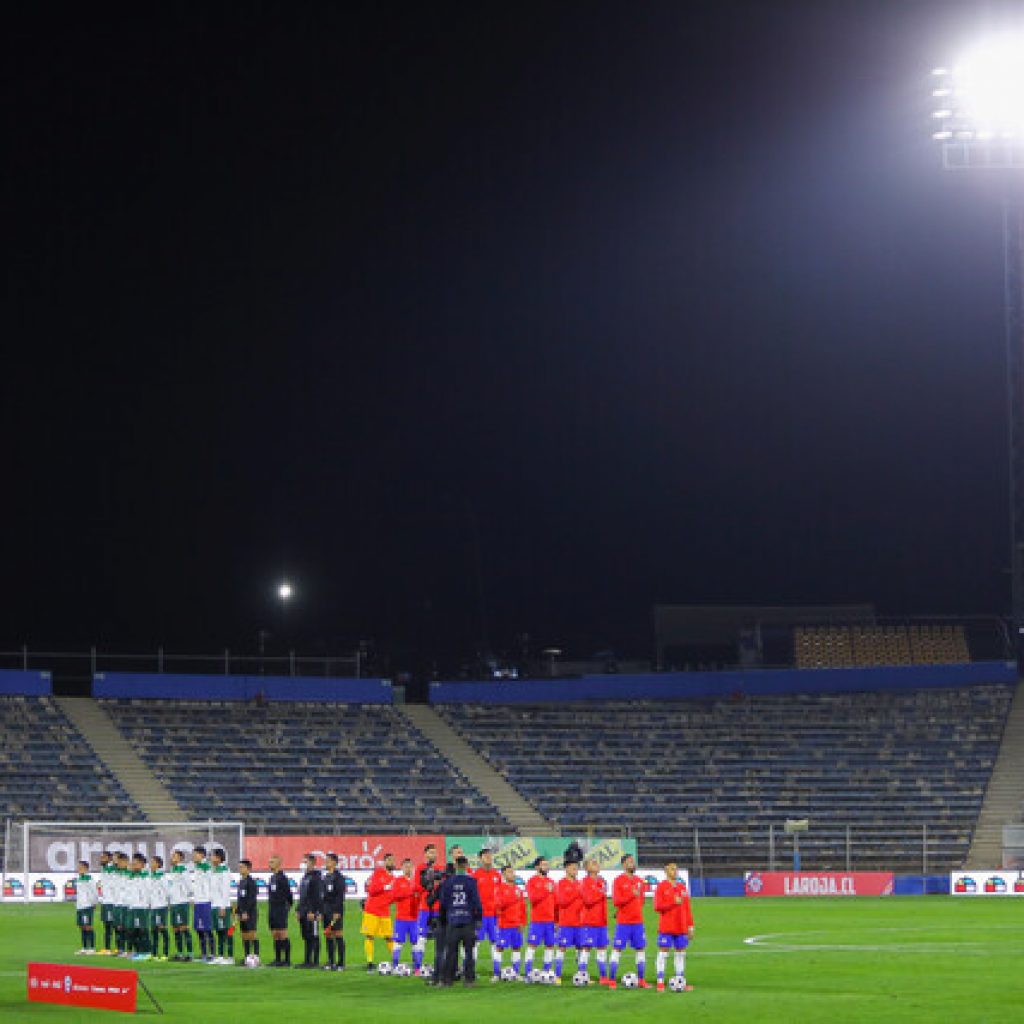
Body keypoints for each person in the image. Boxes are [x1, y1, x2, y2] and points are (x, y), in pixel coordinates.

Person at [436, 856, 482, 987]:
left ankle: (446, 980)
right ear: (466, 865)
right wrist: (478, 919)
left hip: (453, 921)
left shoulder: (448, 882)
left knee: (450, 952)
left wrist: (443, 919)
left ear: (455, 866)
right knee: (469, 952)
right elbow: (476, 902)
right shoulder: (472, 881)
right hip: (468, 921)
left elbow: (443, 903)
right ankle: (469, 980)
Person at [610, 853, 649, 989]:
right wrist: (631, 895)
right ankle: (612, 979)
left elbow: (642, 900)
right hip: (623, 922)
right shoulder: (618, 880)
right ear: (624, 865)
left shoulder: (639, 881)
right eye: (629, 862)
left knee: (640, 949)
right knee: (617, 949)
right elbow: (616, 901)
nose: (632, 864)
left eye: (633, 861)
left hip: (638, 922)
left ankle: (642, 980)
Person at [653, 863, 694, 992]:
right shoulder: (661, 887)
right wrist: (672, 902)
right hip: (667, 927)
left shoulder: (682, 887)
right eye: (672, 869)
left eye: (676, 869)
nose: (675, 871)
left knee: (681, 954)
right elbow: (657, 906)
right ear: (666, 871)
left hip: (681, 927)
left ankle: (680, 981)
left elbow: (687, 908)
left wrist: (690, 926)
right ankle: (660, 982)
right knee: (663, 954)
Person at [471, 847, 502, 979]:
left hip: (494, 916)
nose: (489, 858)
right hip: (480, 916)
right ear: (480, 858)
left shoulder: (497, 875)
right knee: (475, 942)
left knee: (495, 943)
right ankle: (470, 971)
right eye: (486, 856)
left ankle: (497, 972)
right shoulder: (476, 875)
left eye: (490, 855)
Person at [362, 852, 396, 972]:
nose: (392, 862)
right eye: (389, 860)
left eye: (393, 860)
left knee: (389, 937)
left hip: (384, 911)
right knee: (369, 935)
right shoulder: (378, 873)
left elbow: (392, 897)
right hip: (371, 910)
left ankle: (395, 961)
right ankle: (370, 961)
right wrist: (385, 887)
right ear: (385, 862)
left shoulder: (394, 879)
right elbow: (371, 890)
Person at [524, 856, 556, 980]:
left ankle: (546, 972)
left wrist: (556, 919)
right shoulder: (532, 881)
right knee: (532, 945)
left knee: (550, 946)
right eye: (543, 865)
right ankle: (528, 973)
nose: (546, 867)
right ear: (537, 867)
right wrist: (545, 890)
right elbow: (532, 898)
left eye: (547, 865)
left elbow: (555, 901)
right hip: (537, 920)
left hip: (550, 920)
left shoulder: (551, 882)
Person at [580, 857, 610, 985]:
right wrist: (600, 893)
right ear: (587, 868)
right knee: (586, 948)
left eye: (596, 862)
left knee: (602, 948)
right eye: (593, 863)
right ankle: (581, 975)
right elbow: (588, 900)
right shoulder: (585, 882)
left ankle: (603, 977)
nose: (596, 864)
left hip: (601, 921)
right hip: (590, 921)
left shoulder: (601, 881)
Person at [554, 858, 584, 984]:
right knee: (562, 948)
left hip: (580, 923)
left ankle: (581, 975)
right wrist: (575, 893)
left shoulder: (580, 883)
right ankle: (557, 975)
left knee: (581, 949)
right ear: (566, 869)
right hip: (566, 922)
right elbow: (562, 902)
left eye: (576, 868)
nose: (575, 871)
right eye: (573, 868)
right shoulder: (561, 883)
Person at [494, 864, 526, 982]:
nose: (512, 874)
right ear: (503, 874)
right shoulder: (499, 888)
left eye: (513, 872)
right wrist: (512, 897)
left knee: (516, 948)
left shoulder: (518, 889)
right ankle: (497, 974)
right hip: (504, 924)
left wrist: (522, 922)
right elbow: (498, 904)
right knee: (500, 948)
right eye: (509, 872)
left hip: (517, 924)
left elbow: (522, 907)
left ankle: (516, 972)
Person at [413, 842, 441, 972]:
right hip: (425, 908)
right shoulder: (420, 868)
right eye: (430, 852)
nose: (433, 855)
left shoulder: (441, 868)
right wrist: (426, 887)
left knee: (440, 938)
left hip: (439, 909)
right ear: (425, 854)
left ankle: (440, 966)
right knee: (422, 938)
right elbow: (415, 887)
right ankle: (418, 968)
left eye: (435, 852)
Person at [391, 858, 420, 972]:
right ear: (402, 868)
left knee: (416, 943)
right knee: (398, 942)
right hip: (401, 918)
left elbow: (420, 897)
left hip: (414, 918)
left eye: (410, 866)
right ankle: (395, 965)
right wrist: (409, 893)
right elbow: (394, 896)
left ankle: (417, 968)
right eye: (405, 866)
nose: (408, 869)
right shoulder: (398, 881)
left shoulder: (416, 882)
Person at [295, 853, 323, 968]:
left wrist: (313, 911)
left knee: (314, 935)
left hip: (311, 912)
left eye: (305, 862)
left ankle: (315, 961)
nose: (303, 864)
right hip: (303, 911)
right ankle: (307, 960)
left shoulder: (316, 878)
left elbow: (317, 896)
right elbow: (302, 896)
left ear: (312, 863)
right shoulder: (305, 877)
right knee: (306, 936)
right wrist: (298, 910)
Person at [267, 854, 293, 967]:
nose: (269, 864)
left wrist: (287, 907)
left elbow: (289, 895)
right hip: (272, 909)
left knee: (282, 934)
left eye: (272, 862)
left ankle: (286, 960)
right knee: (275, 934)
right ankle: (278, 959)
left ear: (278, 863)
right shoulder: (272, 878)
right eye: (270, 861)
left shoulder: (283, 878)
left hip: (281, 909)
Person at [321, 852, 347, 971]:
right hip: (326, 910)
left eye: (328, 860)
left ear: (334, 863)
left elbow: (340, 896)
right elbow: (323, 896)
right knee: (328, 935)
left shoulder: (339, 878)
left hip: (335, 910)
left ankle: (341, 963)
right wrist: (321, 911)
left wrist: (337, 911)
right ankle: (331, 961)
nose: (326, 862)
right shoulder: (326, 877)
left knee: (338, 935)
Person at [168, 849, 194, 961]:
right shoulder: (172, 870)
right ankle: (179, 953)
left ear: (180, 858)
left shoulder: (183, 869)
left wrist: (186, 897)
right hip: (174, 903)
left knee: (184, 928)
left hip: (182, 902)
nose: (172, 858)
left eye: (174, 856)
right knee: (176, 929)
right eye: (172, 856)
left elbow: (189, 886)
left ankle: (190, 954)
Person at [210, 848, 234, 964]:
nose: (211, 858)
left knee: (227, 930)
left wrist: (223, 906)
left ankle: (229, 956)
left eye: (213, 856)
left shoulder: (224, 870)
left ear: (219, 858)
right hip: (215, 905)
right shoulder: (214, 870)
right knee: (218, 931)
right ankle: (219, 955)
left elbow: (225, 890)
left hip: (222, 905)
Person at [127, 853, 152, 961]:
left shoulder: (146, 876)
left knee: (143, 930)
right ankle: (138, 951)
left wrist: (148, 904)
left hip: (142, 906)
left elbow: (149, 891)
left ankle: (147, 952)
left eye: (135, 864)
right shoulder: (131, 876)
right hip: (133, 906)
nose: (133, 865)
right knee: (134, 930)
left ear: (142, 864)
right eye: (132, 863)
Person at [235, 859, 260, 965]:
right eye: (239, 867)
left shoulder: (251, 882)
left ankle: (256, 957)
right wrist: (237, 911)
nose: (240, 869)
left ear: (248, 869)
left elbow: (252, 899)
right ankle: (247, 957)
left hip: (250, 913)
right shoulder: (241, 882)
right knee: (244, 935)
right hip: (242, 913)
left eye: (242, 867)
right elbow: (240, 898)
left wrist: (246, 912)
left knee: (251, 934)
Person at [191, 845, 213, 963]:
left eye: (195, 854)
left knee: (207, 929)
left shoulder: (207, 868)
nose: (193, 857)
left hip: (206, 902)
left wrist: (210, 900)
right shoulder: (197, 868)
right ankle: (204, 953)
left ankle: (212, 954)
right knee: (199, 929)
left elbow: (211, 885)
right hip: (198, 902)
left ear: (202, 855)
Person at [148, 855, 171, 961]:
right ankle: (154, 953)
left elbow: (167, 891)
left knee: (162, 929)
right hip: (153, 907)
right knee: (154, 930)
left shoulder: (163, 877)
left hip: (161, 906)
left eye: (152, 862)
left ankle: (165, 953)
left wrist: (167, 903)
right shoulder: (151, 876)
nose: (150, 865)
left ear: (158, 864)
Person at [74, 860, 98, 954]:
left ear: (86, 869)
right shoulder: (79, 879)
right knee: (82, 926)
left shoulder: (89, 879)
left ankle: (92, 947)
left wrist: (94, 902)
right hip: (80, 906)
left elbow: (94, 892)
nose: (79, 869)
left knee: (88, 926)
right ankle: (84, 947)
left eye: (81, 867)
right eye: (78, 867)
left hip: (87, 906)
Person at [97, 850, 115, 954]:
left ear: (109, 858)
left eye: (103, 857)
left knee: (113, 925)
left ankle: (117, 948)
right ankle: (107, 948)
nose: (101, 859)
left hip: (111, 901)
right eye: (101, 857)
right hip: (105, 901)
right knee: (106, 925)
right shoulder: (104, 869)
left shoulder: (112, 869)